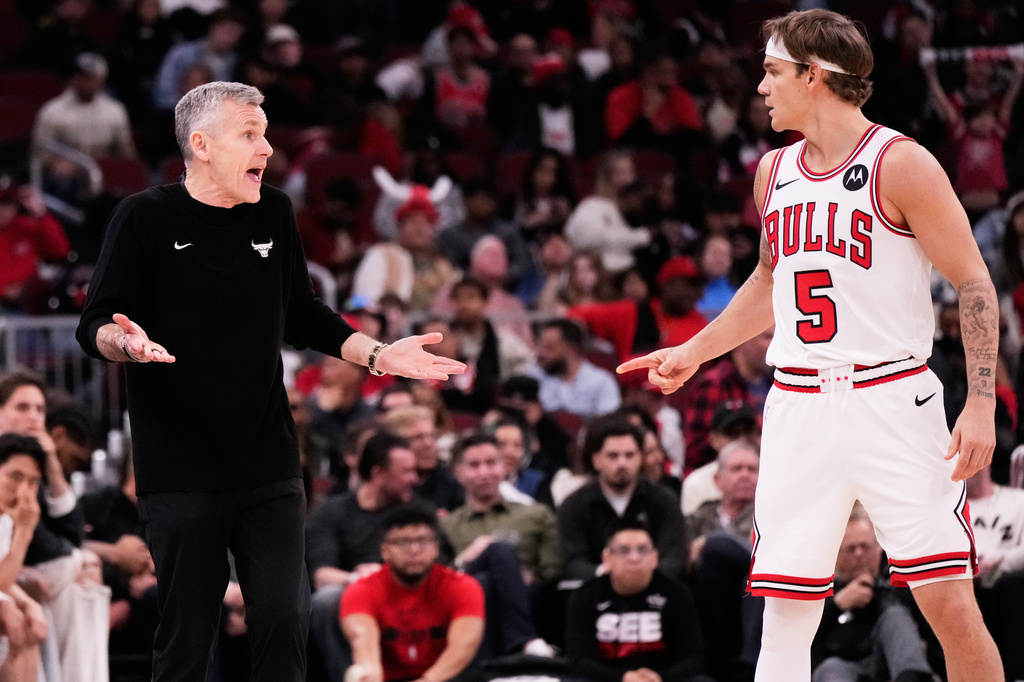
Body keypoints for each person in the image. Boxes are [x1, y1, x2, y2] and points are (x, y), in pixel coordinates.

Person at [618, 9, 1003, 682]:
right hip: (799, 405)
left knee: (948, 603)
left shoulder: (901, 163)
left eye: (771, 71)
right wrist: (696, 350)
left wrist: (980, 402)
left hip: (893, 398)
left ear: (815, 76)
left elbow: (973, 282)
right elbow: (770, 280)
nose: (761, 86)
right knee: (786, 611)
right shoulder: (773, 171)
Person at [75, 81, 466, 682]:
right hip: (180, 467)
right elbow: (94, 323)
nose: (266, 149)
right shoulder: (144, 217)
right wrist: (124, 342)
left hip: (268, 463)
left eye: (265, 134)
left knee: (286, 620)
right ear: (201, 145)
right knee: (187, 635)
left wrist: (382, 355)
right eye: (249, 135)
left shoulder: (275, 211)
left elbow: (303, 312)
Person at [306, 432, 422, 682]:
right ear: (378, 474)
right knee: (327, 599)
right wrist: (358, 578)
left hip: (407, 593)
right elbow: (322, 575)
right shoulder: (331, 512)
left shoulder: (418, 512)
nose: (415, 479)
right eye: (406, 472)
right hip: (352, 597)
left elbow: (434, 567)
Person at [341, 503, 485, 682]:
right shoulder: (362, 590)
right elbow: (364, 642)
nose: (414, 550)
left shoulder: (463, 586)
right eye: (403, 543)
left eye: (423, 541)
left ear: (435, 548)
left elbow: (464, 646)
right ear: (385, 550)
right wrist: (369, 674)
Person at [565, 519, 712, 682]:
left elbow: (694, 658)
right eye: (624, 550)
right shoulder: (584, 596)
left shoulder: (676, 594)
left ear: (654, 558)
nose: (634, 558)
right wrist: (624, 678)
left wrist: (661, 678)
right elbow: (579, 662)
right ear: (607, 559)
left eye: (642, 550)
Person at [557, 416, 686, 581]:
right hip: (594, 595)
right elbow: (573, 563)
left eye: (629, 455)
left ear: (640, 458)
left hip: (655, 592)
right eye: (613, 456)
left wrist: (639, 578)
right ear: (596, 460)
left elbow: (672, 558)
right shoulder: (575, 505)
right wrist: (615, 575)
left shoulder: (663, 500)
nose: (622, 463)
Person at [811, 512, 935, 682]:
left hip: (890, 666)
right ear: (836, 554)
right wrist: (837, 605)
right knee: (831, 668)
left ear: (879, 548)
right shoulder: (821, 591)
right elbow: (800, 645)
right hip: (842, 669)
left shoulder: (900, 584)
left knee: (895, 616)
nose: (859, 554)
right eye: (850, 549)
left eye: (865, 546)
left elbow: (931, 638)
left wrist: (878, 591)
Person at [0, 433, 51, 682]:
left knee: (30, 622)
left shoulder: (5, 517)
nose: (23, 490)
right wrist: (25, 532)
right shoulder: (17, 522)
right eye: (15, 477)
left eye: (32, 482)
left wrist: (28, 604)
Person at [528, 319, 622, 420]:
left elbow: (610, 422)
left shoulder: (601, 382)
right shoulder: (533, 377)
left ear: (571, 350)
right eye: (540, 347)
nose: (541, 354)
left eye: (549, 348)